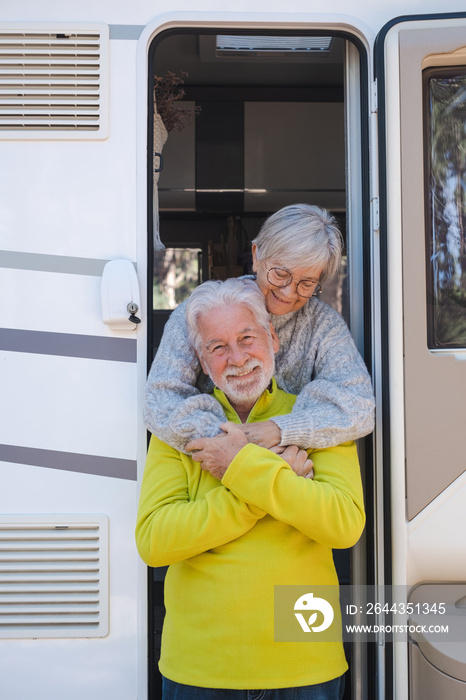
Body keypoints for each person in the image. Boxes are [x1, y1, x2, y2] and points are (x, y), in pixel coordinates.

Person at [136, 278, 365, 699]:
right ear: (202, 363)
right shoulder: (177, 425)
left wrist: (237, 466)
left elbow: (343, 523)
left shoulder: (315, 416)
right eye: (218, 347)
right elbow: (154, 540)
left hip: (305, 664)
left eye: (247, 338)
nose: (237, 358)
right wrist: (261, 485)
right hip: (200, 667)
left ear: (273, 339)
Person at [144, 204, 374, 459]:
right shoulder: (199, 314)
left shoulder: (323, 325)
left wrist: (279, 430)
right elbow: (159, 402)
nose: (288, 292)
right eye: (280, 274)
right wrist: (232, 444)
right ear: (256, 256)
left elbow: (360, 410)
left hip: (293, 471)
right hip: (208, 468)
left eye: (306, 283)